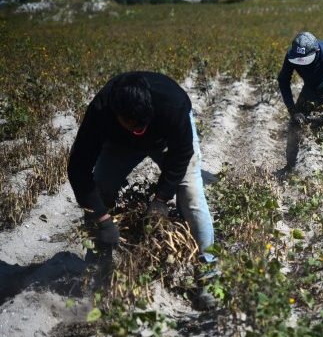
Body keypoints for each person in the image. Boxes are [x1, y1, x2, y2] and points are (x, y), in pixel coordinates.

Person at [67, 71, 216, 309]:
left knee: (192, 197)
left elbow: (181, 154)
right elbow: (78, 168)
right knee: (101, 189)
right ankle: (97, 272)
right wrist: (103, 219)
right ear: (117, 115)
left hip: (166, 141)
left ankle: (208, 275)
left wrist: (160, 200)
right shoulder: (100, 112)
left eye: (143, 124)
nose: (140, 130)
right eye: (134, 125)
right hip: (119, 145)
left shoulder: (172, 103)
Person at [278, 31, 323, 178]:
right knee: (294, 125)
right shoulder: (291, 56)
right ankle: (290, 166)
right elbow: (283, 81)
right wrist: (293, 111)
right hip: (311, 87)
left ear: (316, 52)